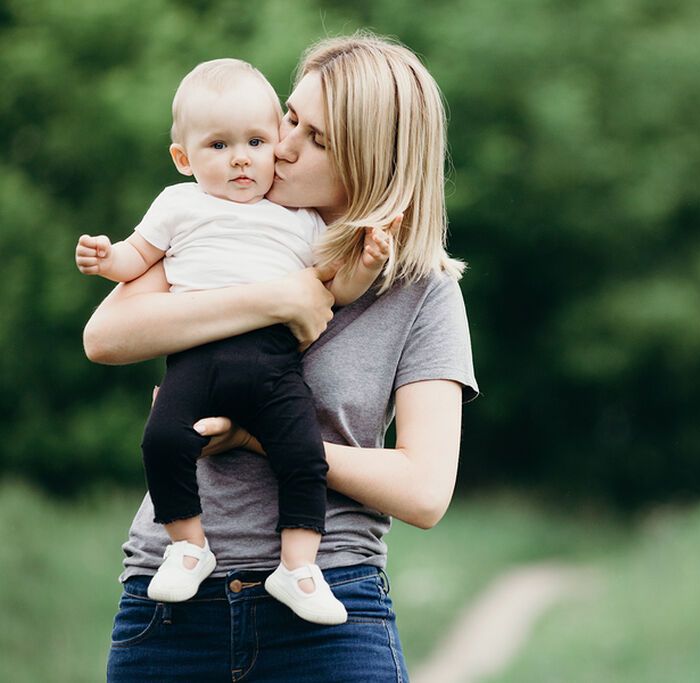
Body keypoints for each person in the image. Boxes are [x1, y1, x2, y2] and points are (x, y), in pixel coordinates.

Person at [87, 32, 477, 682]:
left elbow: (424, 491)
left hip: (329, 607)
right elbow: (106, 336)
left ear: (371, 160)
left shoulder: (422, 291)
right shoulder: (218, 218)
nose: (283, 144)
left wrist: (257, 437)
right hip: (170, 610)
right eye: (291, 117)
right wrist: (275, 298)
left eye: (316, 137)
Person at [76, 58, 393, 626]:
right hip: (195, 361)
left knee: (304, 456)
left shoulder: (300, 219)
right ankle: (188, 546)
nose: (241, 158)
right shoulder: (179, 205)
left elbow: (334, 289)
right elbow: (134, 258)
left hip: (273, 366)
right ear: (184, 158)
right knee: (161, 440)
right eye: (219, 145)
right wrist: (106, 258)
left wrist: (366, 265)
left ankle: (298, 567)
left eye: (256, 141)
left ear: (273, 146)